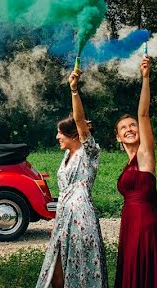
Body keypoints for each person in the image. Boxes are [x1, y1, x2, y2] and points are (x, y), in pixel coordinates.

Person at [36, 68, 107, 288]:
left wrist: (74, 90)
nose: (57, 136)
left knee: (81, 266)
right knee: (56, 267)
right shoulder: (67, 154)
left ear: (75, 135)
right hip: (64, 214)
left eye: (60, 133)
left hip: (81, 216)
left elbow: (79, 119)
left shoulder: (89, 151)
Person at [114, 56, 157, 288]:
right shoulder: (127, 164)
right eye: (123, 128)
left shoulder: (146, 154)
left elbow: (144, 114)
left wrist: (145, 78)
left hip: (144, 224)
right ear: (118, 138)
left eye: (132, 125)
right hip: (128, 224)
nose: (129, 129)